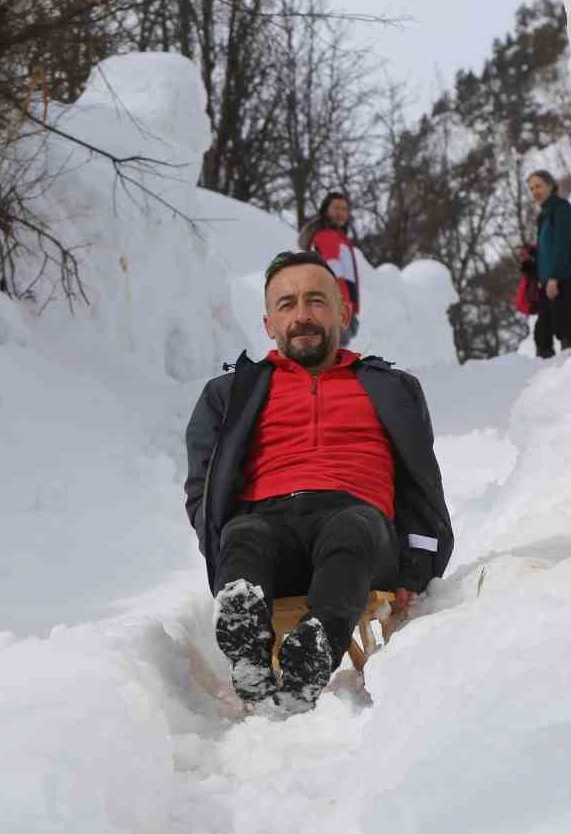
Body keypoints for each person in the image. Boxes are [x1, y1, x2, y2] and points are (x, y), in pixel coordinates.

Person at [184, 251, 454, 713]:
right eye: (286, 305)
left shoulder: (392, 387)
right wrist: (221, 544)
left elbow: (420, 485)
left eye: (315, 301)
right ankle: (246, 637)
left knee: (351, 527)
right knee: (244, 533)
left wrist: (415, 569)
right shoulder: (229, 394)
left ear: (343, 312)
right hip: (267, 524)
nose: (302, 316)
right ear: (269, 324)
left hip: (360, 529)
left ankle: (314, 650)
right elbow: (202, 492)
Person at [526, 169, 571, 359]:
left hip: (564, 276)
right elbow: (547, 250)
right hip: (551, 279)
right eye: (532, 188)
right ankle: (549, 368)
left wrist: (554, 277)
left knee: (563, 324)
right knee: (542, 331)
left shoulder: (561, 208)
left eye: (538, 186)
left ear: (550, 186)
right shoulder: (545, 213)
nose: (535, 191)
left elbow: (563, 244)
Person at [297, 191, 363, 343]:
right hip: (334, 306)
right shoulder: (327, 236)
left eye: (344, 209)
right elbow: (334, 272)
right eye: (336, 208)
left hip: (340, 306)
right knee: (332, 355)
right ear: (325, 210)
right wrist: (342, 306)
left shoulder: (340, 238)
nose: (340, 213)